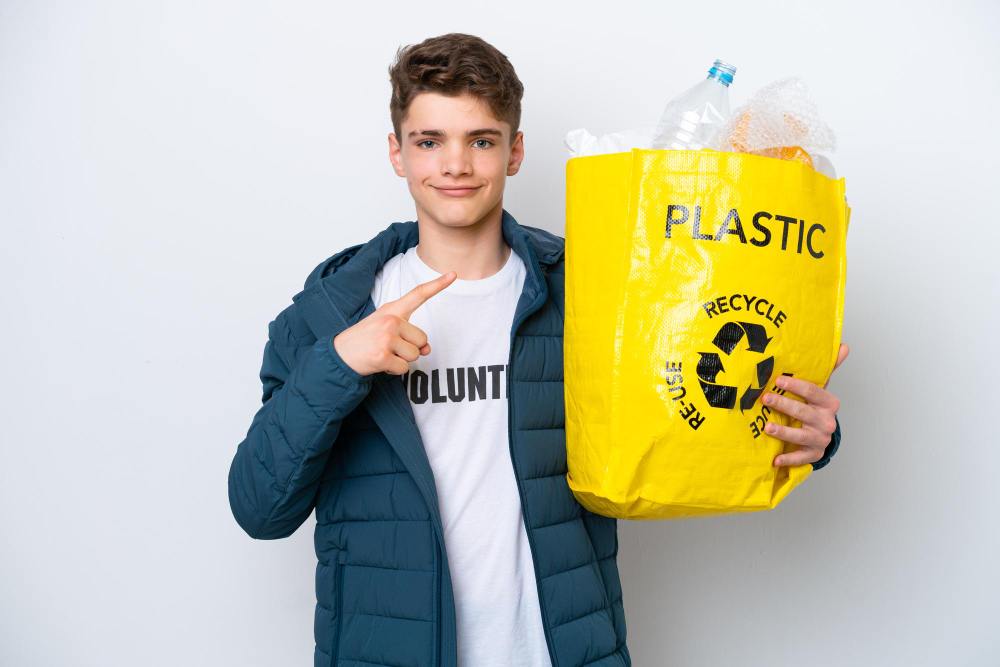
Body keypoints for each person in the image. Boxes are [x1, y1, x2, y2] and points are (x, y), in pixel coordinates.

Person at [227, 32, 848, 667]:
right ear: (397, 153)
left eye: (481, 140)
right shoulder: (330, 315)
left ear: (515, 151)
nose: (455, 165)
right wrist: (338, 364)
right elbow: (259, 509)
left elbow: (688, 408)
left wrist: (809, 435)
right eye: (429, 141)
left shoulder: (597, 291)